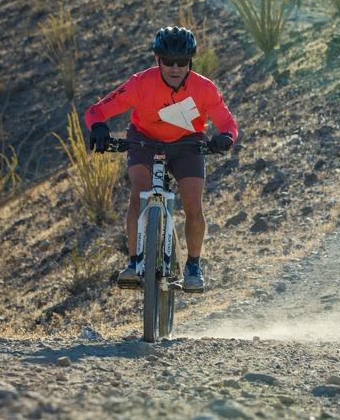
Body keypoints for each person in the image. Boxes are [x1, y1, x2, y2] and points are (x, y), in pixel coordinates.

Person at [84, 26, 238, 293]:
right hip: (144, 141)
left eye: (182, 62)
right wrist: (98, 128)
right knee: (139, 193)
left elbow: (227, 122)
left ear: (191, 61)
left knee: (192, 203)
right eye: (168, 61)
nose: (175, 68)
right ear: (158, 60)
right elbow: (96, 111)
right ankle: (134, 263)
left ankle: (193, 266)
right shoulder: (140, 84)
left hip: (187, 144)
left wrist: (225, 136)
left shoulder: (204, 88)